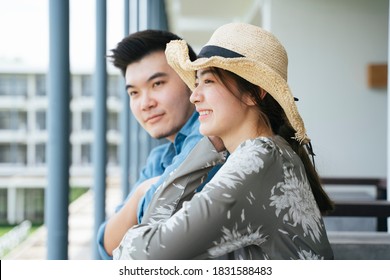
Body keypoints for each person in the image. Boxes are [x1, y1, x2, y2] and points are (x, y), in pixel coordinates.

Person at [113, 22, 335, 260]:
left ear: (253, 93)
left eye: (208, 82)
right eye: (196, 83)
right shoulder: (270, 153)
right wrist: (206, 149)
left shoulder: (257, 161)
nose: (194, 96)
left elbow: (139, 258)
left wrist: (129, 239)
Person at [96, 29, 221, 259]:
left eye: (157, 84)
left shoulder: (212, 136)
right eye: (134, 92)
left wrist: (138, 204)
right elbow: (107, 245)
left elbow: (160, 213)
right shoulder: (159, 159)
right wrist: (142, 192)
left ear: (191, 80)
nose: (145, 103)